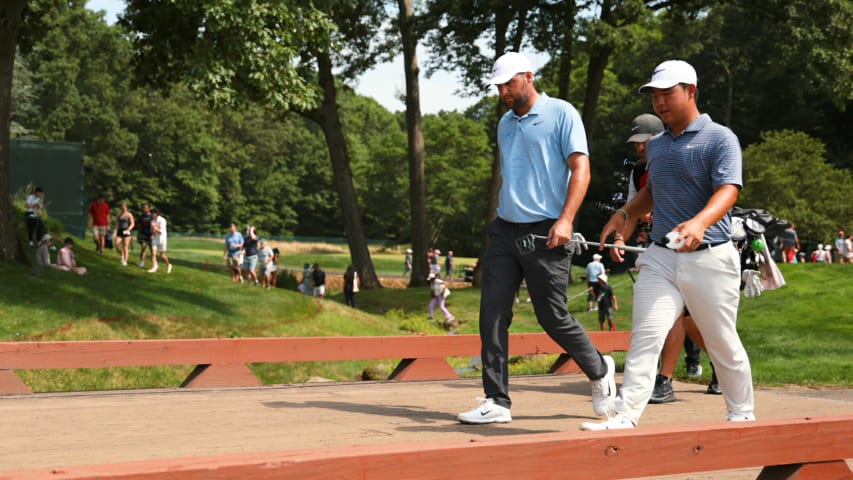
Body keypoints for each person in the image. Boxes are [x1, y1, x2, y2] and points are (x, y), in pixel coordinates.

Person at [583, 59, 755, 430]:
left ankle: (741, 415)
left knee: (721, 342)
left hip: (710, 255)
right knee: (646, 337)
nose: (659, 102)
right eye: (654, 95)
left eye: (667, 93)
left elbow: (729, 189)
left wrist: (699, 221)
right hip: (661, 256)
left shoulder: (720, 138)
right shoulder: (657, 146)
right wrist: (624, 215)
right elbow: (652, 191)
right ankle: (626, 415)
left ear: (691, 91)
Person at [456, 52, 616, 425]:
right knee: (492, 314)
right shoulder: (505, 124)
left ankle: (599, 369)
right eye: (498, 86)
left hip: (548, 231)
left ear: (528, 77)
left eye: (509, 84)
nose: (503, 93)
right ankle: (497, 401)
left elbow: (581, 169)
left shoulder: (562, 113)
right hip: (505, 229)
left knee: (552, 315)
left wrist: (566, 220)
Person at [147, 208, 172, 273]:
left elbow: (161, 231)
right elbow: (153, 231)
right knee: (153, 254)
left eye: (153, 213)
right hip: (155, 239)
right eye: (152, 213)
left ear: (157, 214)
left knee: (162, 255)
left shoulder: (162, 220)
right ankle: (154, 267)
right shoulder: (152, 221)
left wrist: (155, 228)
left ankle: (168, 265)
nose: (152, 214)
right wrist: (152, 234)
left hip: (162, 239)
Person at [115, 202, 136, 267]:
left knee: (125, 246)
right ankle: (122, 255)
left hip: (127, 231)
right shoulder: (119, 214)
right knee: (117, 244)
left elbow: (133, 223)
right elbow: (117, 223)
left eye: (124, 206)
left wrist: (128, 229)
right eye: (122, 206)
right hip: (120, 231)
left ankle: (125, 261)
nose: (123, 207)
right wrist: (115, 231)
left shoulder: (129, 214)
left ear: (126, 207)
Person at [136, 203, 153, 268]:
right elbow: (139, 226)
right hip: (143, 235)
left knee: (152, 250)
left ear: (149, 208)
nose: (144, 209)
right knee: (143, 248)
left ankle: (154, 263)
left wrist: (153, 234)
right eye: (143, 207)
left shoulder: (152, 216)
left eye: (146, 207)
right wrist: (138, 235)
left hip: (151, 235)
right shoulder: (141, 216)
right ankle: (142, 263)